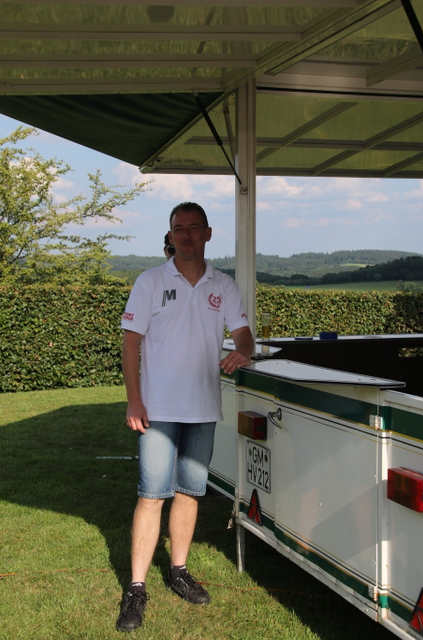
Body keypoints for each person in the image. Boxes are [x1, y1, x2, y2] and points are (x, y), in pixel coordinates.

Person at [116, 202, 254, 632]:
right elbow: (130, 343)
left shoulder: (223, 285)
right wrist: (134, 400)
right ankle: (136, 588)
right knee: (152, 494)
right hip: (157, 410)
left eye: (194, 228)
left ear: (208, 234)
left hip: (202, 408)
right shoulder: (150, 281)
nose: (187, 235)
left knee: (190, 492)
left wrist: (243, 351)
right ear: (171, 235)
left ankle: (178, 571)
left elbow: (244, 334)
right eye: (179, 229)